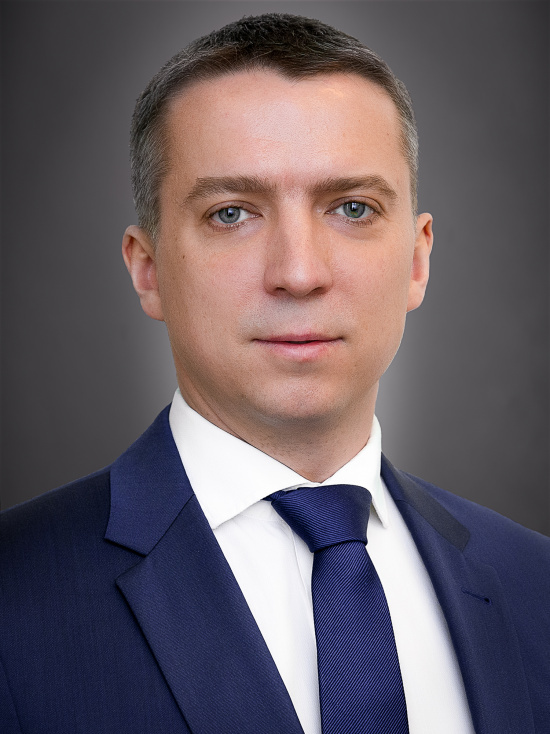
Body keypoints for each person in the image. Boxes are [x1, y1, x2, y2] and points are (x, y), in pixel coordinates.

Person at [0, 13, 548, 734]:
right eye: (232, 213)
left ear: (417, 260)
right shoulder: (13, 596)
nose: (298, 272)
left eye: (352, 207)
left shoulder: (536, 584)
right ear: (148, 269)